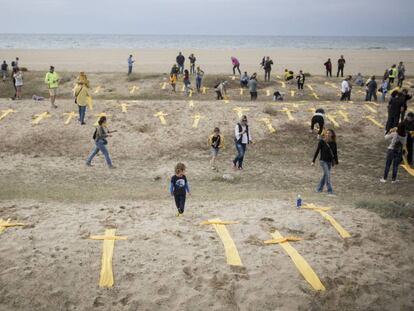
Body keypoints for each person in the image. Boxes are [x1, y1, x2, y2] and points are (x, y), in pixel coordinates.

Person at [312, 129, 338, 194]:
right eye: (327, 133)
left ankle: (319, 189)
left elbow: (335, 153)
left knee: (325, 175)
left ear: (332, 134)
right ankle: (330, 191)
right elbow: (317, 151)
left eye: (329, 133)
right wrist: (313, 161)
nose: (328, 134)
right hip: (323, 161)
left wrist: (336, 161)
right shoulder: (322, 142)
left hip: (329, 162)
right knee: (328, 175)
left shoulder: (334, 143)